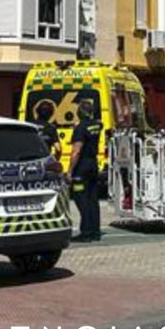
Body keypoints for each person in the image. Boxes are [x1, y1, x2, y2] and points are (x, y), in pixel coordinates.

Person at [68, 98, 103, 242]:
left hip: (81, 167)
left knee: (81, 198)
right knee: (92, 198)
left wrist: (70, 171)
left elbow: (76, 151)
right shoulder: (97, 125)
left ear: (80, 112)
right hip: (93, 164)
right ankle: (95, 231)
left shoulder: (80, 128)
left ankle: (86, 232)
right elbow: (98, 124)